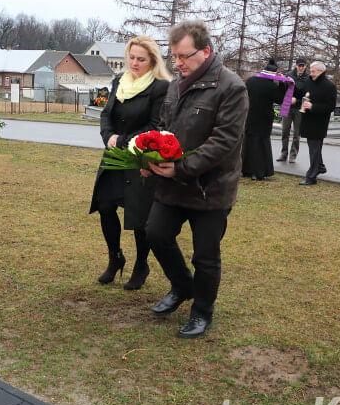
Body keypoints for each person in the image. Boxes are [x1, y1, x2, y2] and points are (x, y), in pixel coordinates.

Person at [140, 20, 248, 339]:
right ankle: (182, 286)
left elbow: (223, 142)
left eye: (184, 56)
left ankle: (202, 312)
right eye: (174, 57)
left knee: (205, 254)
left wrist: (182, 168)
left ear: (206, 52)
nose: (178, 63)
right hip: (173, 183)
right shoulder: (176, 84)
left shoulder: (232, 87)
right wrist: (151, 158)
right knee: (156, 234)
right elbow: (163, 127)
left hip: (210, 190)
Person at [89, 36, 171, 289]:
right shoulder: (119, 81)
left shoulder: (159, 87)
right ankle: (115, 258)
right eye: (131, 57)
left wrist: (122, 140)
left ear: (152, 61)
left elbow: (155, 125)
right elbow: (106, 114)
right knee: (105, 204)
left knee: (138, 213)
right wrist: (108, 136)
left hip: (140, 157)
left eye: (141, 59)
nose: (134, 63)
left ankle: (141, 265)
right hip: (113, 155)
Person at [242, 59, 288, 180]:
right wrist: (282, 83)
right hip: (264, 118)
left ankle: (246, 169)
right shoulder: (271, 86)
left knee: (249, 142)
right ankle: (259, 171)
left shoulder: (250, 81)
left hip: (250, 115)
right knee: (261, 144)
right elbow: (280, 99)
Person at [298, 61, 336, 185]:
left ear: (321, 72)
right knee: (314, 148)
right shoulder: (308, 81)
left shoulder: (329, 86)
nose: (311, 73)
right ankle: (319, 167)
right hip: (308, 120)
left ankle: (311, 177)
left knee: (314, 149)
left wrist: (313, 106)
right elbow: (301, 93)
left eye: (313, 71)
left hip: (319, 122)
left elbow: (330, 106)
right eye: (311, 70)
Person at [277, 58, 308, 163]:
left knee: (296, 134)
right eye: (299, 65)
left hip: (299, 108)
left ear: (305, 66)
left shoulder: (307, 78)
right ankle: (283, 154)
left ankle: (293, 155)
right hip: (287, 106)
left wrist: (297, 100)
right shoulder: (289, 74)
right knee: (285, 131)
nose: (301, 67)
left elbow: (307, 95)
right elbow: (283, 89)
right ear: (296, 66)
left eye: (303, 65)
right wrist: (281, 81)